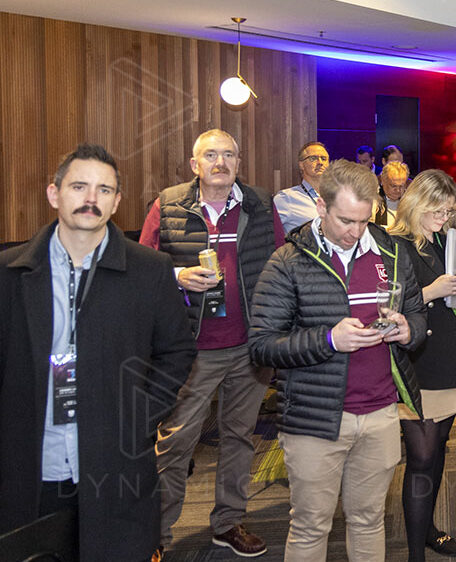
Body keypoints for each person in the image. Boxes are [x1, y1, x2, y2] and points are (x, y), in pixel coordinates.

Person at [0, 144, 196, 562]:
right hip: (29, 466)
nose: (91, 198)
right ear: (54, 194)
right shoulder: (9, 274)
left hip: (116, 464)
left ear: (117, 202)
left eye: (104, 189)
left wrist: (137, 419)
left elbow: (176, 351)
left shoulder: (150, 269)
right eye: (79, 186)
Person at [248, 159, 426, 561]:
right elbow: (261, 344)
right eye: (345, 220)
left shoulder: (391, 251)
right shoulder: (287, 262)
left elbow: (416, 312)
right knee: (311, 525)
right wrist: (329, 339)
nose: (355, 232)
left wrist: (407, 329)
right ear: (321, 209)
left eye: (363, 221)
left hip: (380, 412)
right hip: (315, 417)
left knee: (368, 519)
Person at [139, 128, 280, 557]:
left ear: (239, 162)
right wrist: (176, 277)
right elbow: (141, 269)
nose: (221, 162)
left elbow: (278, 265)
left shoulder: (258, 204)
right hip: (190, 347)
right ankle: (156, 537)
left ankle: (228, 523)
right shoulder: (168, 205)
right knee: (176, 442)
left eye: (229, 155)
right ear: (194, 164)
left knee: (239, 438)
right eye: (211, 155)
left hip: (248, 346)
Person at [389, 170, 456, 562]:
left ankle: (427, 528)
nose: (444, 218)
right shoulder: (393, 245)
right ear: (416, 204)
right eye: (438, 211)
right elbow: (389, 306)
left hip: (451, 350)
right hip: (417, 360)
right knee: (421, 457)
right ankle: (415, 553)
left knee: (439, 448)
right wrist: (434, 291)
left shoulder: (447, 240)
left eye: (449, 212)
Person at [273, 141, 330, 235]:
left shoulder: (337, 197)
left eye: (324, 159)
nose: (320, 162)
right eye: (313, 158)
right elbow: (268, 234)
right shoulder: (286, 198)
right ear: (301, 165)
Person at [373, 160, 409, 228]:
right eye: (394, 186)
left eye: (401, 186)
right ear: (383, 181)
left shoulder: (409, 202)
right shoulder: (372, 202)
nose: (398, 190)